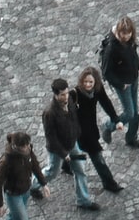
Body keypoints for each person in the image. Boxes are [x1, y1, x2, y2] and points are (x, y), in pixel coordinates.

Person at [41, 78, 100, 210]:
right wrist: (63, 153)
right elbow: (51, 138)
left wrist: (78, 133)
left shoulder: (71, 101)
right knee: (52, 172)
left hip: (72, 143)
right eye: (62, 95)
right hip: (57, 149)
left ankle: (83, 200)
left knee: (80, 170)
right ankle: (33, 184)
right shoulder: (49, 113)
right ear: (55, 95)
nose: (66, 97)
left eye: (67, 93)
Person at [71, 68, 124, 193]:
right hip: (79, 133)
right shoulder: (74, 94)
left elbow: (106, 102)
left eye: (90, 82)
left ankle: (65, 165)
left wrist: (116, 120)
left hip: (91, 129)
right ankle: (109, 182)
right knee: (98, 158)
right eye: (85, 82)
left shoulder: (97, 89)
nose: (88, 85)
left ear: (96, 82)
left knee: (88, 155)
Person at [98, 16, 139, 148]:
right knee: (129, 113)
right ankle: (108, 126)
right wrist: (120, 84)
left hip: (133, 78)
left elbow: (132, 52)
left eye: (128, 33)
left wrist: (138, 65)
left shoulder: (129, 40)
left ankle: (131, 138)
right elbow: (106, 72)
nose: (126, 36)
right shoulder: (111, 48)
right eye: (123, 34)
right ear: (118, 32)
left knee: (135, 112)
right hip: (123, 84)